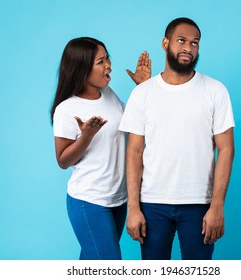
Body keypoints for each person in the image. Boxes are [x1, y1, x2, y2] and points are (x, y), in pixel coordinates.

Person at [119, 17, 235, 260]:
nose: (188, 48)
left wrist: (217, 206)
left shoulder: (215, 91)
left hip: (199, 204)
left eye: (195, 43)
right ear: (165, 43)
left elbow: (226, 149)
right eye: (181, 40)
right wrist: (133, 208)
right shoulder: (142, 93)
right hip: (152, 203)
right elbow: (134, 152)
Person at [50, 37, 151, 260]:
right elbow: (63, 161)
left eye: (108, 59)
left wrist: (143, 89)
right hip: (89, 202)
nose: (109, 65)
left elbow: (133, 124)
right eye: (101, 61)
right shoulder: (66, 109)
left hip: (118, 199)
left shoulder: (108, 94)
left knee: (92, 264)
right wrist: (86, 136)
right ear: (82, 68)